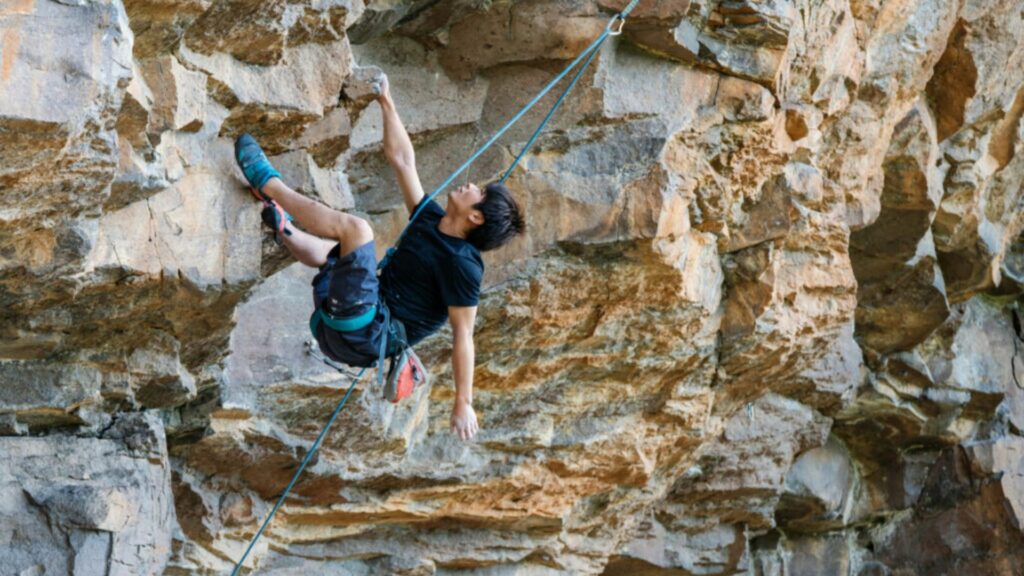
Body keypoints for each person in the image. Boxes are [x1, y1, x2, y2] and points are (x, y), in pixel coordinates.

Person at [233, 73, 525, 441]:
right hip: (340, 321)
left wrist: (463, 401)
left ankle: (267, 183)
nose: (471, 185)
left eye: (479, 192)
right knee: (340, 255)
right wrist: (386, 101)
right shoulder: (431, 219)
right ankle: (285, 228)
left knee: (358, 233)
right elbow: (402, 161)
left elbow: (463, 335)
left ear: (476, 217)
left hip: (364, 333)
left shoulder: (464, 265)